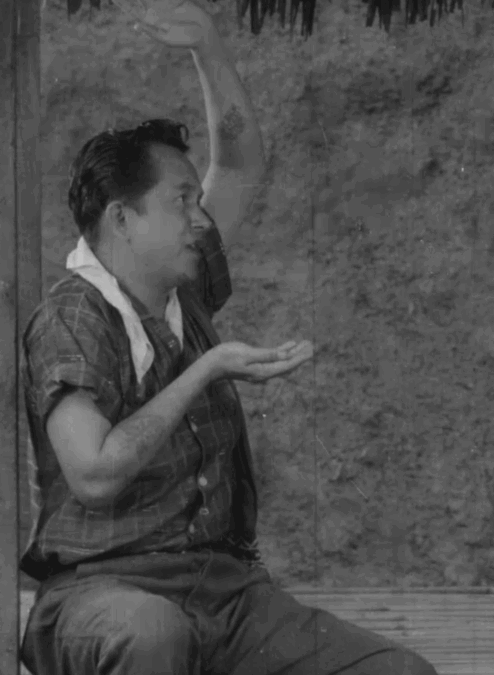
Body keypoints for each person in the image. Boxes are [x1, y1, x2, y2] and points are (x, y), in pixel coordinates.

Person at [18, 2, 438, 674]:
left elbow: (239, 167)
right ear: (122, 219)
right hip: (101, 594)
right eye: (180, 200)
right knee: (152, 635)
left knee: (397, 671)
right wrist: (206, 368)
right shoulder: (74, 314)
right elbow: (93, 474)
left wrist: (208, 45)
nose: (199, 216)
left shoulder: (182, 293)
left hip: (224, 592)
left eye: (196, 199)